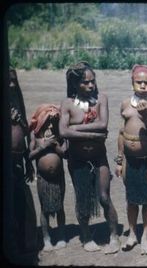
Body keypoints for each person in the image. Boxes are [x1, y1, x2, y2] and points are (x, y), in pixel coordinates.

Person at [59, 61, 120, 254]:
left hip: (99, 158)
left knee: (104, 197)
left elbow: (103, 124)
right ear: (75, 84)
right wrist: (91, 135)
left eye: (92, 81)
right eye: (85, 82)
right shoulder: (67, 103)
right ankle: (86, 236)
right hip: (77, 161)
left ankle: (114, 236)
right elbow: (62, 131)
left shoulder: (101, 99)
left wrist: (75, 128)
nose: (91, 85)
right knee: (82, 198)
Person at [115, 64, 147, 255]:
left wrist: (145, 116)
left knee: (146, 197)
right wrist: (119, 160)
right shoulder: (126, 103)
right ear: (132, 82)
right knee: (131, 198)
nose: (143, 85)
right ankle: (132, 234)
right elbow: (121, 133)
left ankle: (146, 236)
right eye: (139, 82)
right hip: (129, 159)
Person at [7, 68, 38, 263]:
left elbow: (25, 132)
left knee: (21, 202)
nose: (11, 85)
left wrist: (28, 161)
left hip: (18, 161)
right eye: (7, 81)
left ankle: (24, 243)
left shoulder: (16, 100)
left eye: (13, 81)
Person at [29, 104, 68, 252]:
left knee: (60, 207)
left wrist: (56, 146)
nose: (50, 126)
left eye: (53, 123)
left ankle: (62, 236)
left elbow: (65, 155)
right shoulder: (36, 136)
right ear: (41, 121)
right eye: (47, 122)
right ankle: (46, 239)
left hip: (58, 177)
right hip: (43, 178)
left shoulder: (59, 136)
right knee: (44, 209)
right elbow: (29, 155)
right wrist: (43, 147)